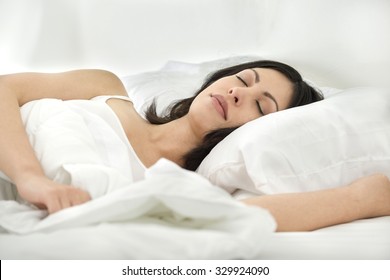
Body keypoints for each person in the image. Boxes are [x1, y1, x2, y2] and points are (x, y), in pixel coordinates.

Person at [0, 60, 389, 232]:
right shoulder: (105, 88)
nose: (238, 92)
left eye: (260, 104)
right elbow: (5, 88)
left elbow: (245, 218)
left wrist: (359, 198)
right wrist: (31, 178)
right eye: (243, 78)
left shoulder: (187, 189)